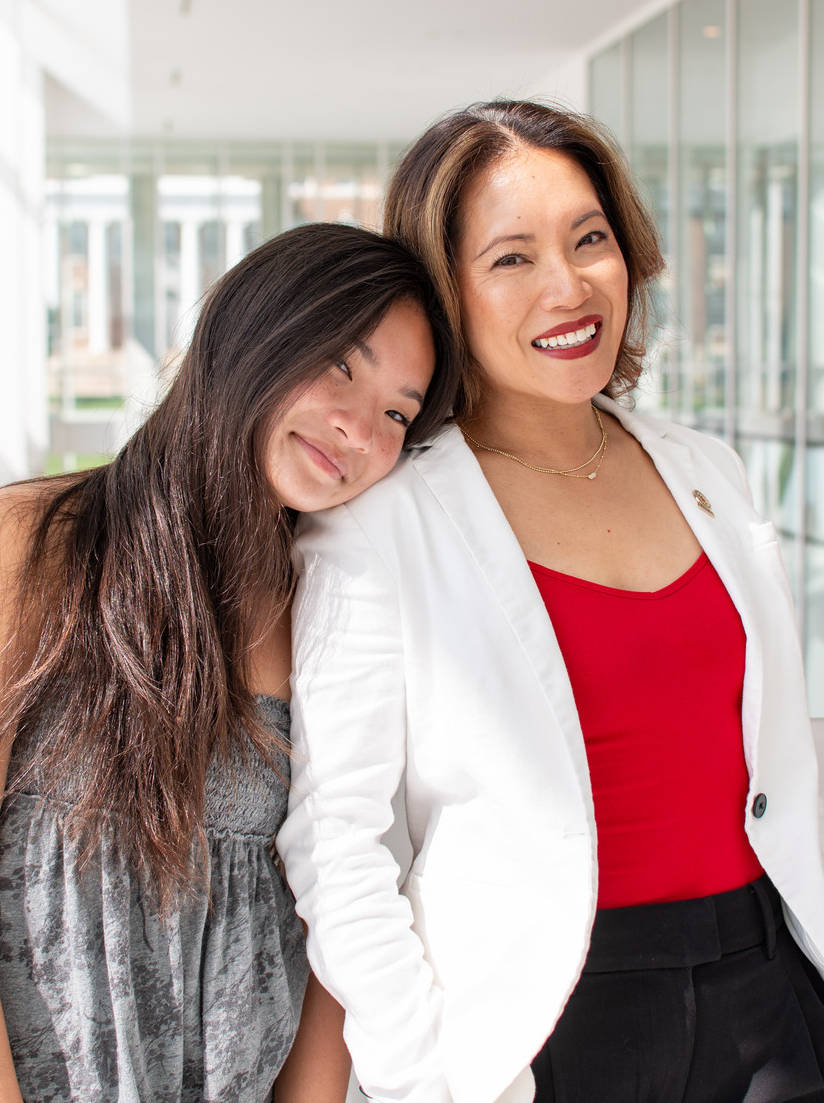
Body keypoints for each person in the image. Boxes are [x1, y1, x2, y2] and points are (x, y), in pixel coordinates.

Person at [277, 103, 824, 1103]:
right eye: (512, 257)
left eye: (589, 239)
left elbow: (774, 740)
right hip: (547, 1019)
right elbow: (337, 839)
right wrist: (421, 1073)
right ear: (448, 291)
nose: (567, 286)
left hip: (767, 981)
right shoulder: (378, 527)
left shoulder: (709, 470)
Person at [0, 221, 459, 1103]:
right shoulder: (29, 544)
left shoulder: (332, 610)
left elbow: (334, 912)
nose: (358, 426)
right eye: (342, 364)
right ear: (252, 329)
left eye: (398, 412)